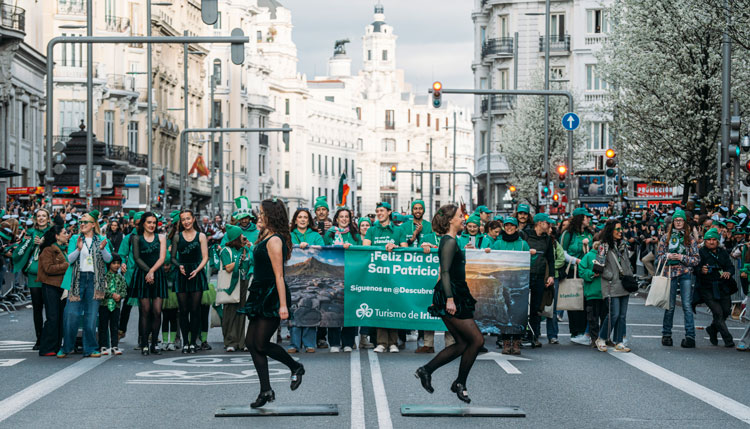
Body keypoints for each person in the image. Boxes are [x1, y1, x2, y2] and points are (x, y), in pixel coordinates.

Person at [415, 204, 483, 404]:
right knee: (476, 341)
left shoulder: (452, 241)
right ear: (451, 219)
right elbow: (444, 271)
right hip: (451, 295)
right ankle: (458, 383)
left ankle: (427, 371)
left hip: (456, 292)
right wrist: (450, 299)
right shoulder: (448, 242)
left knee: (463, 343)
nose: (464, 219)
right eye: (461, 216)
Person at [241, 198, 305, 409]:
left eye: (261, 213)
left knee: (260, 343)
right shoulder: (264, 235)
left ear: (271, 215)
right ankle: (265, 390)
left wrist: (283, 305)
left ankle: (295, 367)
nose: (258, 216)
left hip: (271, 294)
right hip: (259, 291)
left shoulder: (275, 239)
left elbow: (279, 275)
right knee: (251, 343)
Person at [58, 212, 113, 358]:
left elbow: (108, 260)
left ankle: (90, 348)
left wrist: (102, 249)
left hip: (95, 280)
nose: (82, 224)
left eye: (85, 222)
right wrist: (78, 249)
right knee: (71, 314)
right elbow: (68, 260)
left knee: (91, 316)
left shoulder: (101, 239)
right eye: (80, 222)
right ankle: (66, 347)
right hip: (78, 279)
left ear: (93, 224)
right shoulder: (75, 238)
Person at [363, 202, 407, 353]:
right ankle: (381, 342)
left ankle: (393, 342)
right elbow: (365, 248)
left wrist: (396, 247)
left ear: (389, 212)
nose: (379, 213)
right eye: (377, 211)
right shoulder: (372, 230)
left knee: (393, 307)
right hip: (377, 274)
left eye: (381, 211)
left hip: (394, 275)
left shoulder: (398, 230)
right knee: (380, 307)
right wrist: (382, 248)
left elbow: (405, 249)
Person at [656, 209, 700, 348]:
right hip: (670, 274)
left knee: (687, 305)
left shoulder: (690, 239)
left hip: (685, 273)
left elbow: (696, 259)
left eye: (681, 220)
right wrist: (668, 256)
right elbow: (659, 257)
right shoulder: (665, 238)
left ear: (684, 222)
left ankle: (690, 336)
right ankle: (666, 334)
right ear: (673, 222)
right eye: (676, 220)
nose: (678, 222)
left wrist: (682, 257)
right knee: (670, 305)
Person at [12, 208, 52, 350]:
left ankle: (50, 337)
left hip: (49, 274)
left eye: (44, 216)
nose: (41, 218)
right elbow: (22, 250)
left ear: (48, 219)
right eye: (39, 216)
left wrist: (44, 243)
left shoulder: (52, 232)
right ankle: (39, 338)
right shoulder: (30, 233)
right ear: (36, 219)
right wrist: (32, 244)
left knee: (50, 308)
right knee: (37, 307)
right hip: (34, 274)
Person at [171, 209, 210, 354]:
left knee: (195, 310)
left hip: (196, 273)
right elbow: (173, 257)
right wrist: (179, 266)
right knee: (183, 311)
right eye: (183, 219)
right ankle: (185, 342)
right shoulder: (177, 237)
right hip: (182, 274)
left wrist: (198, 270)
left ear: (193, 219)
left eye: (188, 218)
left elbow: (205, 257)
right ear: (180, 222)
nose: (186, 222)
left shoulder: (201, 236)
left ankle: (193, 342)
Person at [323, 207, 359, 352]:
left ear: (350, 220)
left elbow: (360, 251)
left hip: (352, 275)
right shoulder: (330, 234)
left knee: (350, 309)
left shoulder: (355, 235)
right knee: (333, 308)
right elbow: (324, 247)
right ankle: (334, 342)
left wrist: (351, 249)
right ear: (336, 219)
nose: (344, 219)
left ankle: (348, 342)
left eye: (346, 217)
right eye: (341, 217)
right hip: (334, 276)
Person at [131, 212, 168, 355]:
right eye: (149, 222)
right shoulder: (136, 238)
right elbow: (136, 257)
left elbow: (162, 257)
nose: (152, 225)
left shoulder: (161, 237)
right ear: (143, 224)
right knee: (145, 311)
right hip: (142, 275)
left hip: (157, 274)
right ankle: (144, 343)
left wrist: (152, 271)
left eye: (154, 222)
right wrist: (148, 272)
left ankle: (155, 343)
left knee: (157, 311)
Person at [288, 208, 324, 353]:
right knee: (294, 308)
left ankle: (310, 343)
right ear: (295, 220)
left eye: (305, 217)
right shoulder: (289, 235)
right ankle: (294, 343)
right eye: (300, 217)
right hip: (293, 277)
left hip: (311, 277)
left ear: (309, 221)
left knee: (310, 307)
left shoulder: (315, 236)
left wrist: (310, 248)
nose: (302, 220)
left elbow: (322, 251)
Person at [492, 217, 530, 354]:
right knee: (504, 311)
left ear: (516, 228)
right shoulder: (498, 243)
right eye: (506, 226)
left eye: (512, 226)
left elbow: (528, 262)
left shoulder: (523, 244)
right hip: (502, 282)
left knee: (519, 312)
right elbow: (492, 260)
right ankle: (506, 341)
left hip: (519, 283)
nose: (509, 228)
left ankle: (517, 341)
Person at [695, 228, 735, 348]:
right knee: (717, 313)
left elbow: (730, 267)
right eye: (709, 240)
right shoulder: (700, 253)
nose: (711, 242)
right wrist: (701, 270)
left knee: (726, 311)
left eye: (714, 240)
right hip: (707, 287)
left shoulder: (722, 252)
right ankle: (728, 339)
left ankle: (712, 329)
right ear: (705, 241)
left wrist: (728, 272)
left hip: (722, 286)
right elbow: (694, 269)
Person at [560, 208, 594, 346]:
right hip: (573, 270)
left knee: (587, 303)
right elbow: (562, 252)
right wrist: (576, 261)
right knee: (574, 301)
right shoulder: (568, 234)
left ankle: (586, 332)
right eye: (587, 217)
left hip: (586, 272)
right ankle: (575, 332)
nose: (589, 219)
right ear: (580, 218)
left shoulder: (589, 233)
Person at [598, 220, 633, 352]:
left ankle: (619, 341)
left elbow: (627, 263)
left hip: (624, 284)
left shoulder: (623, 245)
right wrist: (611, 275)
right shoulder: (603, 246)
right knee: (614, 314)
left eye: (621, 229)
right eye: (617, 229)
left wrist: (629, 274)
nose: (620, 232)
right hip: (611, 285)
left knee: (622, 315)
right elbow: (598, 266)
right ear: (610, 231)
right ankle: (602, 338)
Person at [36, 224, 70, 357]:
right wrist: (67, 265)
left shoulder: (65, 249)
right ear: (57, 236)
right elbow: (48, 269)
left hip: (62, 287)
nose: (67, 235)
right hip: (50, 286)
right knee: (52, 317)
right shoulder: (48, 250)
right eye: (64, 232)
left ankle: (56, 346)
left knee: (61, 317)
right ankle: (46, 347)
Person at [523, 213, 555, 347]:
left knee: (536, 307)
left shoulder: (547, 239)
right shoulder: (524, 235)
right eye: (548, 223)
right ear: (540, 223)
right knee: (522, 306)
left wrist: (551, 275)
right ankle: (520, 334)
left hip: (540, 275)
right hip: (524, 274)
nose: (550, 226)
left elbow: (550, 258)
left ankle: (534, 335)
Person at [220, 224, 251, 353]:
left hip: (243, 282)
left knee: (243, 312)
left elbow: (250, 261)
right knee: (230, 312)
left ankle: (242, 341)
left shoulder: (243, 250)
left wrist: (247, 248)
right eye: (240, 236)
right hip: (231, 285)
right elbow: (228, 267)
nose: (243, 237)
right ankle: (230, 341)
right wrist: (239, 259)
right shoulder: (225, 251)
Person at [578, 241, 606, 352]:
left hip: (604, 292)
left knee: (605, 318)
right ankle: (594, 339)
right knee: (593, 318)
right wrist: (591, 273)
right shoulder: (589, 256)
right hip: (592, 292)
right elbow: (581, 270)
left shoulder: (606, 256)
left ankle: (603, 338)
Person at [99, 255, 128, 356]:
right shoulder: (104, 276)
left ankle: (114, 345)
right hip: (104, 304)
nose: (116, 266)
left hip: (116, 306)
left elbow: (124, 290)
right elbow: (102, 289)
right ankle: (103, 346)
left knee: (115, 326)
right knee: (103, 325)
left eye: (118, 263)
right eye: (114, 263)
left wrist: (120, 296)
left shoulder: (120, 277)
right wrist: (111, 295)